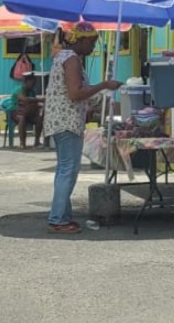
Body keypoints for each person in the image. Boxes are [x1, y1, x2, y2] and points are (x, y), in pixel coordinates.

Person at [44, 23, 121, 234]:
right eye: (92, 43)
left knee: (64, 170)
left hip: (60, 121)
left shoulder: (63, 57)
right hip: (66, 122)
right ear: (81, 40)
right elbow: (75, 93)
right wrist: (104, 85)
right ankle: (58, 219)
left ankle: (63, 215)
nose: (93, 47)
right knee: (68, 171)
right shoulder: (71, 59)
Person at [13, 72, 43, 150]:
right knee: (22, 118)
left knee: (39, 120)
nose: (33, 85)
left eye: (34, 83)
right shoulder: (18, 89)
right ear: (26, 82)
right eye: (32, 83)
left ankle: (37, 142)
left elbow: (34, 103)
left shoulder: (32, 91)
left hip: (29, 113)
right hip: (15, 112)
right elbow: (24, 99)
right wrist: (39, 99)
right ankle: (22, 143)